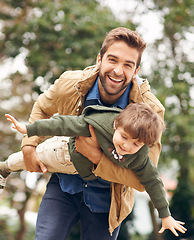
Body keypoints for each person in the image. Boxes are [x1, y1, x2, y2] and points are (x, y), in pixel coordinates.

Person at [2, 27, 173, 239]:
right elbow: (44, 108)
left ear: (136, 71)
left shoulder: (151, 112)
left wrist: (97, 158)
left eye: (128, 65)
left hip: (109, 199)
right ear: (99, 59)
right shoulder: (70, 84)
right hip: (64, 183)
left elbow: (142, 179)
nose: (118, 71)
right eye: (112, 60)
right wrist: (29, 145)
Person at [1, 103, 187, 237]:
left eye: (136, 144)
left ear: (144, 145)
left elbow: (153, 182)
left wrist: (165, 215)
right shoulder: (99, 123)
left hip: (85, 173)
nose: (127, 146)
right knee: (26, 160)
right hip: (63, 152)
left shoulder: (140, 157)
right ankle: (4, 169)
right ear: (116, 125)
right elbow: (63, 123)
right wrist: (28, 128)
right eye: (124, 137)